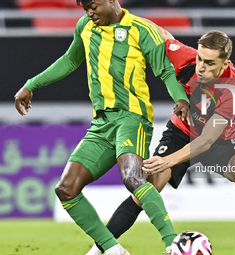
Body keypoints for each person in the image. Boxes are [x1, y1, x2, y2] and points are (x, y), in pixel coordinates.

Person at [86, 22, 235, 255]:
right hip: (181, 132)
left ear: (225, 64)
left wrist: (168, 161)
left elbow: (207, 140)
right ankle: (98, 251)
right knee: (148, 187)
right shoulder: (186, 59)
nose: (200, 67)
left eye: (209, 63)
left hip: (219, 139)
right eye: (199, 59)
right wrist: (123, 16)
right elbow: (162, 35)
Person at [14, 1, 192, 255]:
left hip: (133, 118)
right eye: (85, 7)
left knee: (133, 177)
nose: (89, 13)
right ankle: (112, 249)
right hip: (101, 124)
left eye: (93, 6)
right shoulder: (85, 26)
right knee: (66, 189)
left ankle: (173, 244)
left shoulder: (142, 29)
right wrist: (31, 84)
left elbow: (164, 71)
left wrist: (181, 99)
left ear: (111, 0)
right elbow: (69, 61)